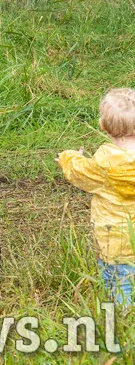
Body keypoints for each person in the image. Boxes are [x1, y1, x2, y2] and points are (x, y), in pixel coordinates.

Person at [58, 88, 135, 307]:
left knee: (120, 293)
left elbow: (79, 172)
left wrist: (69, 157)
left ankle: (124, 325)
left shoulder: (104, 166)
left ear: (103, 125)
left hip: (114, 248)